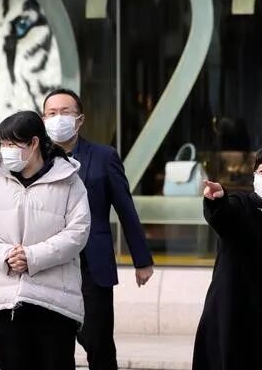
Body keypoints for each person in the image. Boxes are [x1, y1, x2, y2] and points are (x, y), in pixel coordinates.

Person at [0, 110, 90, 370]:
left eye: (11, 144)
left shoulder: (69, 180)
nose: (5, 150)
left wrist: (32, 257)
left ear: (34, 143)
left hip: (54, 301)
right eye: (2, 144)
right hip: (6, 301)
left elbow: (78, 231)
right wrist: (5, 255)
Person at [42, 89, 154, 370]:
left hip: (92, 265)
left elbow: (125, 209)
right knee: (55, 347)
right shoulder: (35, 159)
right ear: (43, 119)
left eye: (65, 112)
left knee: (98, 342)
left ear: (79, 119)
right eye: (51, 113)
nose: (58, 118)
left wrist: (142, 260)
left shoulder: (104, 156)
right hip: (48, 264)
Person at [192, 144, 262, 370]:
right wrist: (217, 200)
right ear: (254, 175)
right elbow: (223, 216)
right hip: (230, 319)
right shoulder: (240, 205)